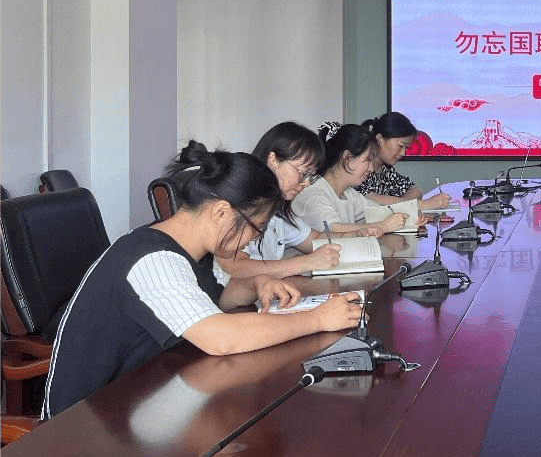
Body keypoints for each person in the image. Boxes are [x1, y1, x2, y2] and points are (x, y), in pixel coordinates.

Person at [42, 142, 363, 418]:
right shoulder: (153, 260)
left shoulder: (191, 248)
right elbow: (220, 337)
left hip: (146, 396)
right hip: (85, 424)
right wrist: (317, 319)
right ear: (222, 212)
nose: (253, 239)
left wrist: (256, 284)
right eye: (256, 228)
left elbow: (215, 298)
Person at [217, 121, 383, 279]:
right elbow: (233, 267)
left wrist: (354, 235)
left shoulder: (278, 210)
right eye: (303, 173)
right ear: (272, 160)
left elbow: (314, 239)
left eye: (310, 175)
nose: (306, 183)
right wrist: (306, 263)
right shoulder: (242, 203)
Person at [292, 122, 415, 234]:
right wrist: (383, 226)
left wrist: (408, 217)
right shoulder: (313, 194)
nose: (371, 168)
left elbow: (379, 211)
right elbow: (333, 230)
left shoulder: (349, 194)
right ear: (347, 158)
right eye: (367, 160)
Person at [355, 112, 452, 212]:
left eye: (406, 147)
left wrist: (402, 204)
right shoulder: (360, 167)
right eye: (400, 146)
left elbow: (416, 190)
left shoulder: (385, 168)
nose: (403, 153)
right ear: (380, 139)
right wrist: (422, 205)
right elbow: (369, 200)